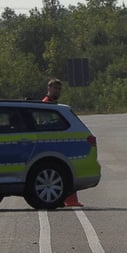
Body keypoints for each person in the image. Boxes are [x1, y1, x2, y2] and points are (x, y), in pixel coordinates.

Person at [42, 78, 83, 207]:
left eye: (59, 89)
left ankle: (66, 199)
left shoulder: (54, 104)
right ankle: (68, 199)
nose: (57, 91)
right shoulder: (45, 105)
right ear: (49, 89)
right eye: (55, 88)